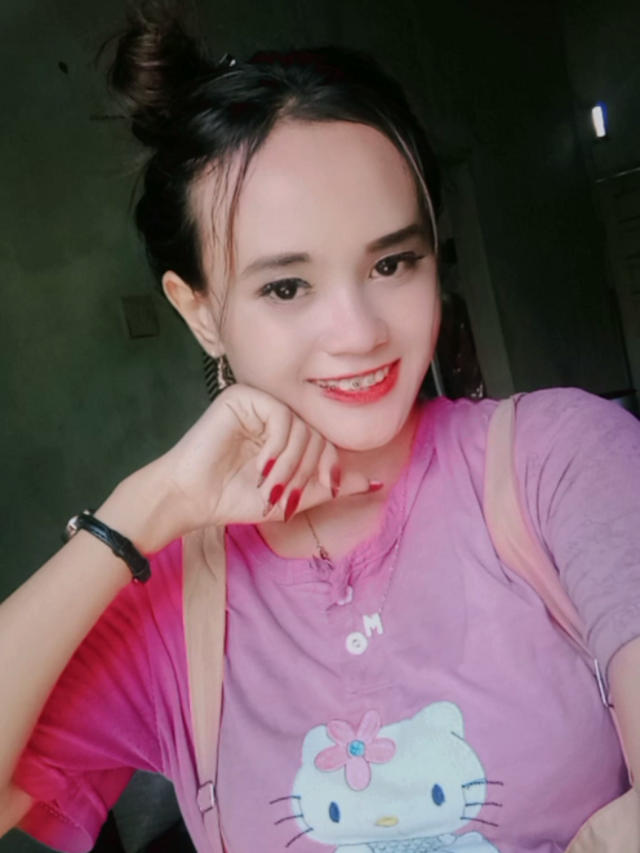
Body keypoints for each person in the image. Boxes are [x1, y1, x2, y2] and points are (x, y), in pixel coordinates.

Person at [2, 5, 640, 853]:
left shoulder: (562, 461)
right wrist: (147, 504)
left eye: (392, 262)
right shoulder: (172, 601)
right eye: (287, 287)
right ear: (199, 312)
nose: (360, 332)